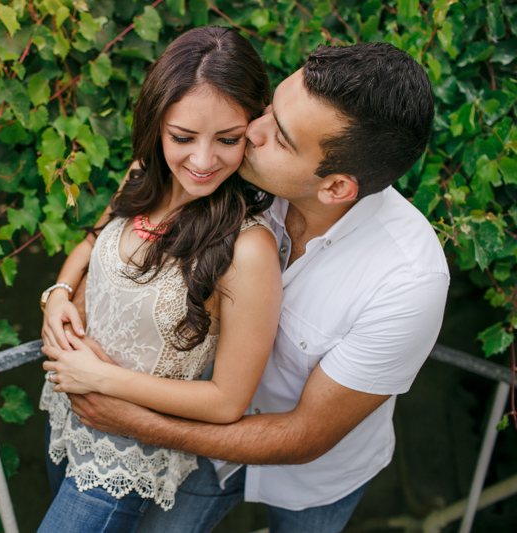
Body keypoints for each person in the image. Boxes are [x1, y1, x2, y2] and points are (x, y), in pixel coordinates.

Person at [44, 41, 450, 532]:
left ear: (335, 188)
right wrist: (64, 292)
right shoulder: (229, 172)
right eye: (270, 109)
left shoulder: (407, 284)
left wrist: (133, 420)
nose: (250, 132)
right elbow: (122, 231)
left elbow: (304, 436)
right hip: (198, 442)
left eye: (278, 137)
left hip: (308, 472)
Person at [36, 27, 281, 533]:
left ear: (253, 129)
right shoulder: (143, 175)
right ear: (157, 124)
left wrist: (101, 379)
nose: (202, 160)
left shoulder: (248, 248)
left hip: (122, 463)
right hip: (63, 415)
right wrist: (59, 294)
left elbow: (227, 401)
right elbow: (92, 243)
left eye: (228, 139)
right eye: (183, 137)